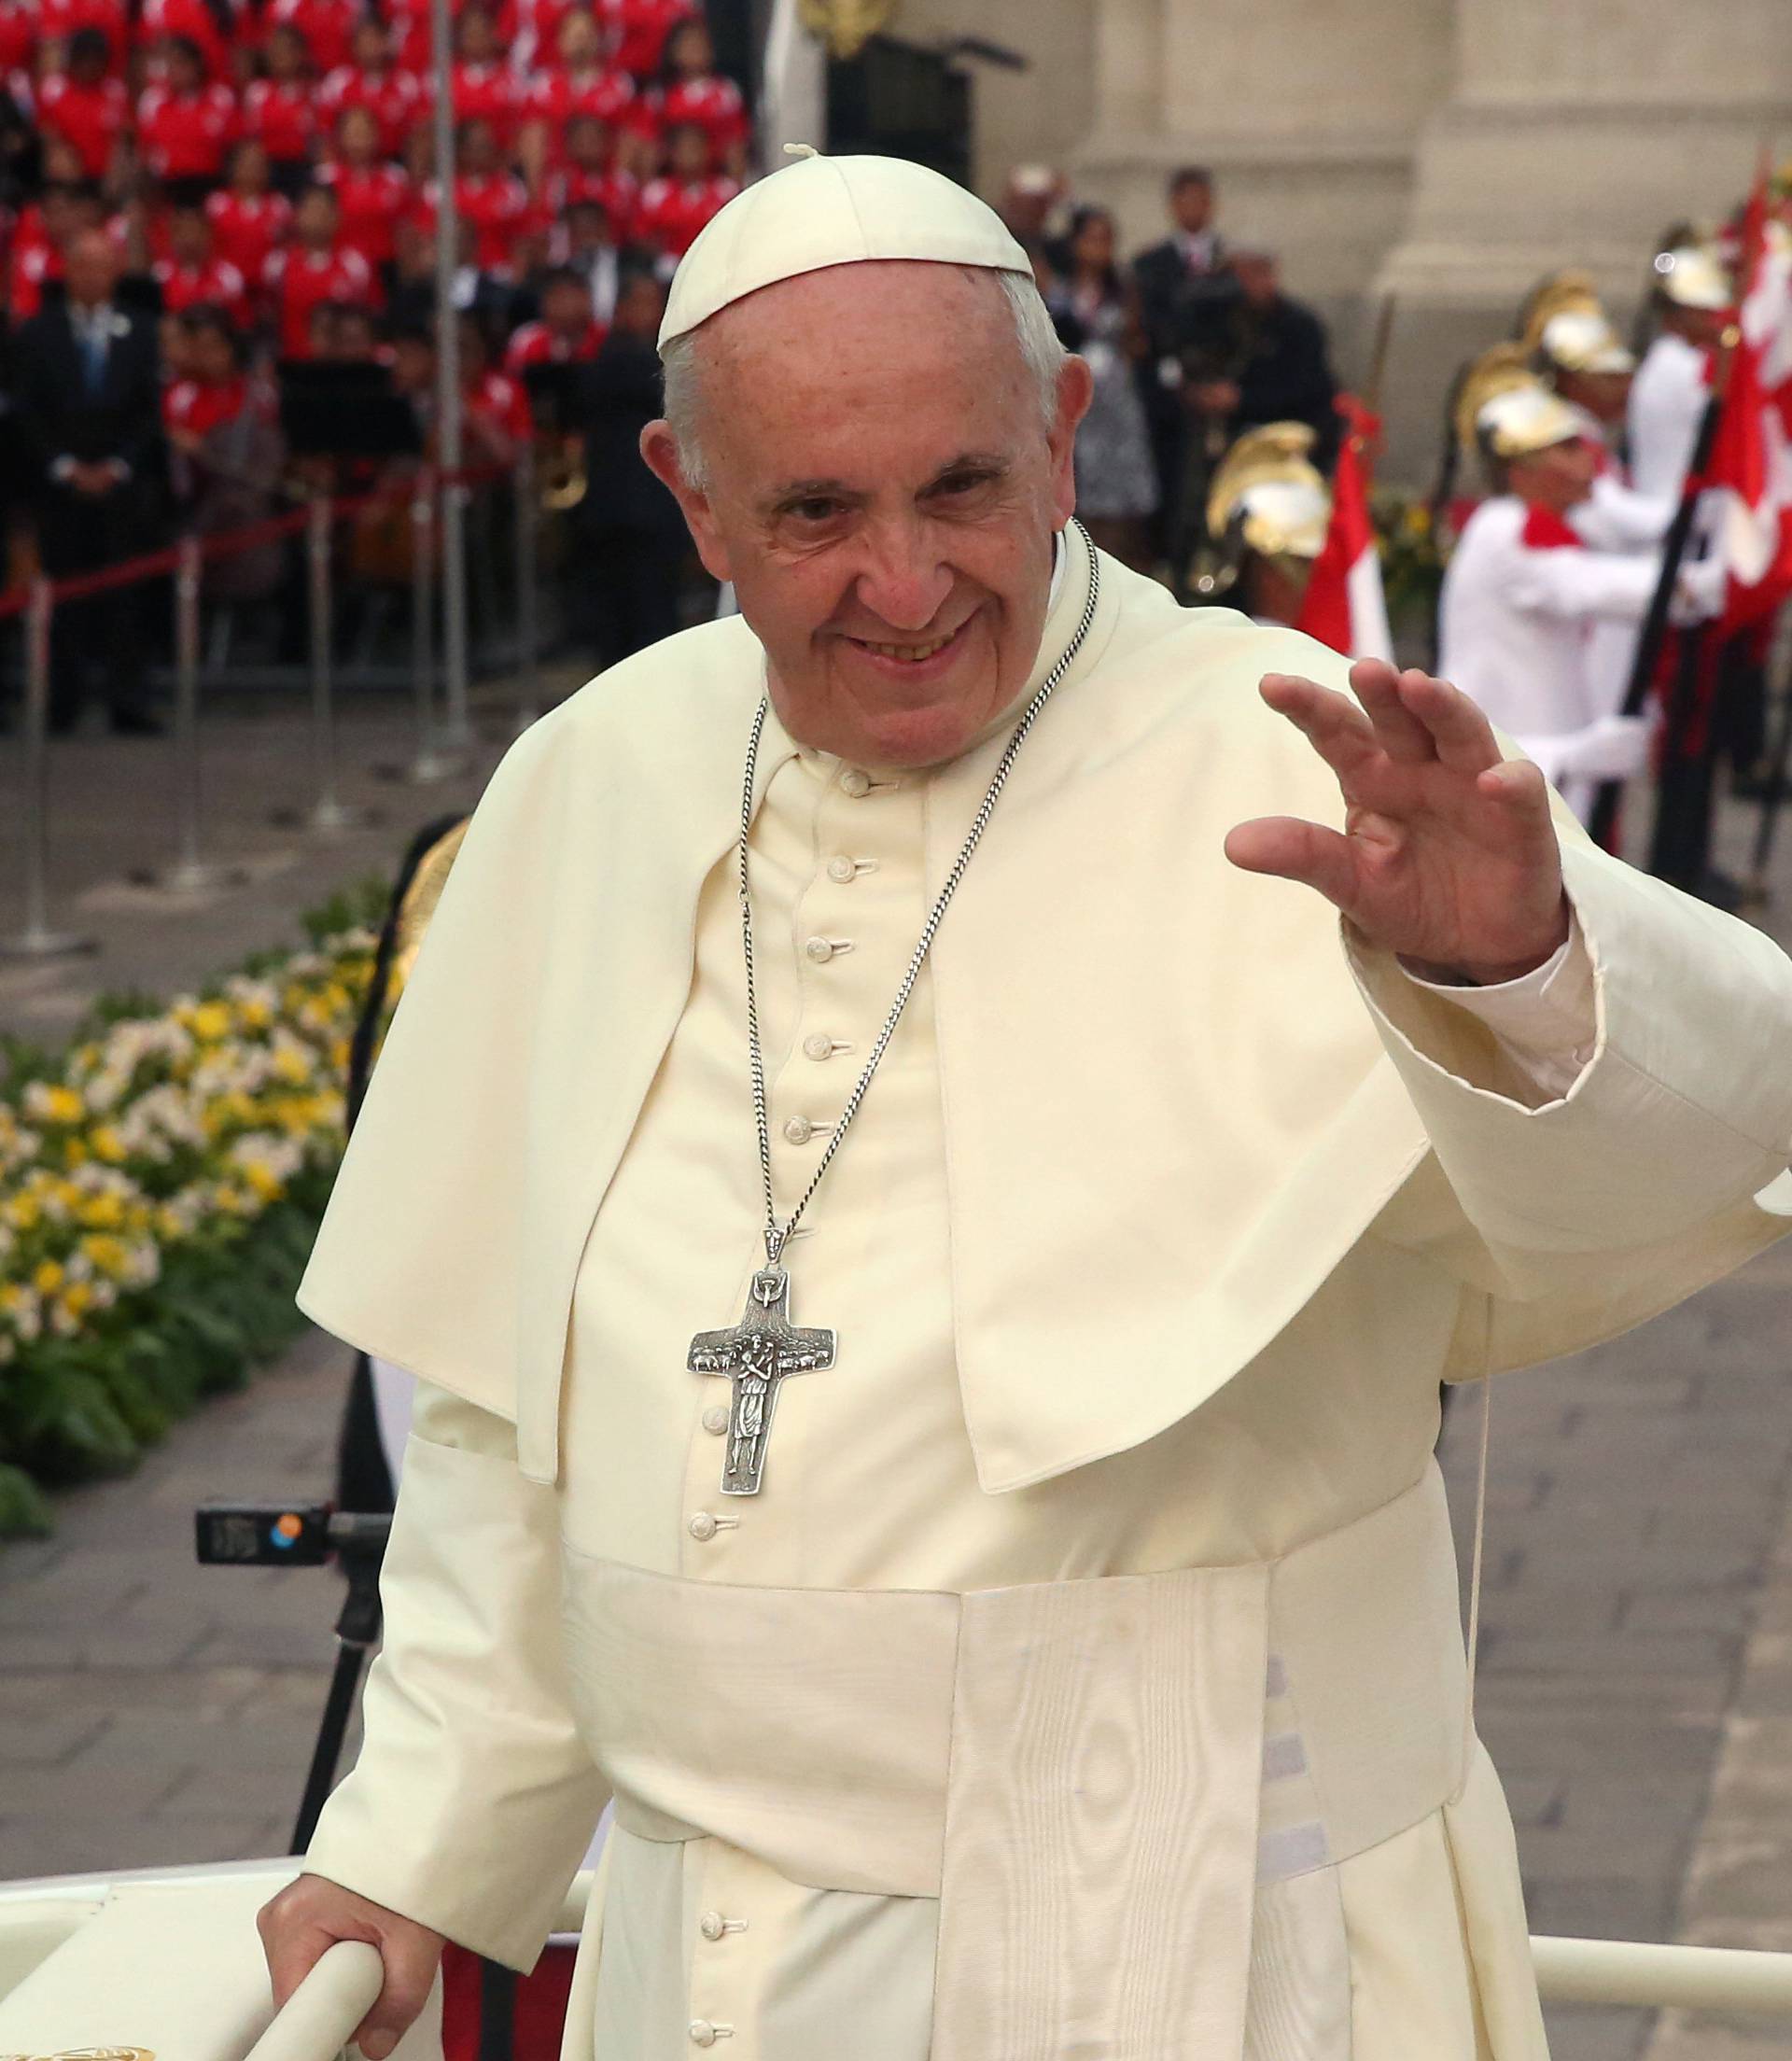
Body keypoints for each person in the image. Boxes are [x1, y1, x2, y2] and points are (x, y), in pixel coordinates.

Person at [261, 152, 1792, 2061]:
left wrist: (1516, 968)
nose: (904, 587)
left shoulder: (1298, 753)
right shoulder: (595, 781)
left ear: (1067, 433)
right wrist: (413, 1840)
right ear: (692, 500)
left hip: (1212, 1938)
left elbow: (1706, 1170)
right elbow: (511, 1423)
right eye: (816, 511)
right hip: (703, 1947)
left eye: (964, 489)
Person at [1438, 375, 1720, 828]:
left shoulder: (1518, 523)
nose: (1587, 460)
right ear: (1521, 471)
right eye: (1566, 450)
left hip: (1536, 752)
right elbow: (1591, 585)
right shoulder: (1506, 532)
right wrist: (1708, 583)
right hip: (1512, 751)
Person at [13, 227, 165, 734]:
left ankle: (129, 700)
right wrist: (63, 466)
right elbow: (27, 413)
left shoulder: (141, 330)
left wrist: (119, 465)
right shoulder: (37, 334)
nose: (93, 276)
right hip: (60, 486)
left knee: (126, 595)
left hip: (122, 484)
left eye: (103, 265)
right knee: (64, 597)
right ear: (67, 270)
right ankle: (63, 702)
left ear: (117, 271)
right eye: (83, 265)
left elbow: (149, 413)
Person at [1045, 203, 1156, 568]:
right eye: (1091, 238)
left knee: (1124, 502)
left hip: (1117, 403)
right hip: (1074, 400)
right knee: (1081, 487)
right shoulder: (1057, 289)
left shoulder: (1125, 290)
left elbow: (1141, 342)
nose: (1099, 247)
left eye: (1106, 239)